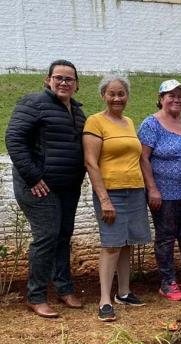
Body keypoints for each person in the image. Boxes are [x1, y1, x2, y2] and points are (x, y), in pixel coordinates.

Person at [6, 59, 86, 318]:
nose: (64, 82)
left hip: (68, 187)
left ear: (76, 85)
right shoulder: (34, 103)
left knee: (63, 235)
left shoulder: (78, 111)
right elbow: (14, 139)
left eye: (69, 79)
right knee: (47, 236)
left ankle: (64, 288)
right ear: (48, 80)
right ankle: (36, 295)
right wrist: (33, 178)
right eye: (59, 77)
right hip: (39, 187)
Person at [83, 74, 152, 322]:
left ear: (127, 96)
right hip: (111, 191)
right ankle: (104, 299)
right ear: (104, 95)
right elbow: (91, 163)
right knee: (111, 245)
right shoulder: (95, 122)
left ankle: (124, 292)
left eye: (121, 93)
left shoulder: (129, 122)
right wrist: (104, 199)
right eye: (111, 93)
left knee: (126, 243)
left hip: (134, 189)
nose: (117, 98)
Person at [138, 79, 181, 301]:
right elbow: (143, 158)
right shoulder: (151, 124)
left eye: (180, 95)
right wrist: (152, 189)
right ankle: (167, 282)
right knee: (166, 237)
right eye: (171, 95)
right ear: (161, 99)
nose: (176, 99)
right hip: (165, 193)